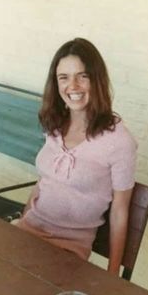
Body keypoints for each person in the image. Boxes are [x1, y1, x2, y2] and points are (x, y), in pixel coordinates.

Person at [16, 38, 137, 275]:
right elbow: (44, 181)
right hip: (28, 232)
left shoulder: (119, 141)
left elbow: (120, 210)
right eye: (64, 77)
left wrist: (113, 275)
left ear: (97, 79)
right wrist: (22, 220)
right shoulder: (55, 122)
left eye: (83, 76)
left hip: (67, 250)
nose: (73, 86)